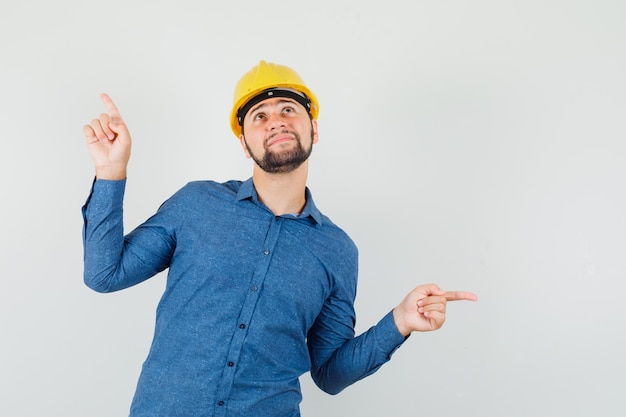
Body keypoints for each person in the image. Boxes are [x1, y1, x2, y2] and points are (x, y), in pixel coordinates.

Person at [81, 60, 478, 417]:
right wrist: (111, 172)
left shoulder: (337, 250)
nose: (276, 120)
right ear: (244, 142)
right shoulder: (196, 205)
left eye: (289, 109)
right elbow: (105, 274)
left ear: (314, 129)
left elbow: (329, 374)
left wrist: (399, 322)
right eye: (259, 116)